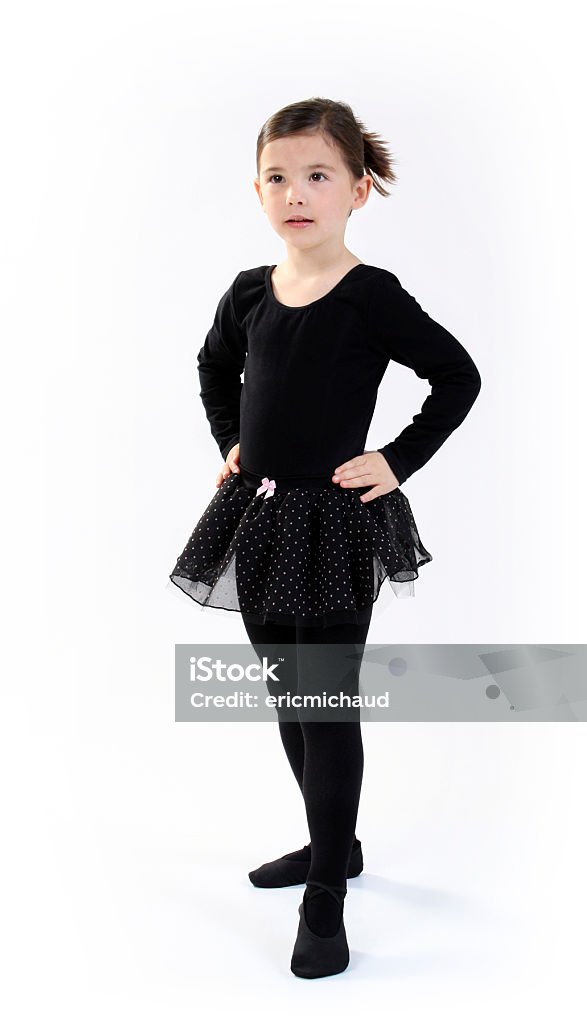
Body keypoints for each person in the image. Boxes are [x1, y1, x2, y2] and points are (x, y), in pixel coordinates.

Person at [168, 97, 482, 978]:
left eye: (317, 176)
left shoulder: (369, 295)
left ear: (357, 191)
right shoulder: (246, 292)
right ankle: (330, 843)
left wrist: (396, 459)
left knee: (325, 704)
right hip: (258, 516)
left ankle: (326, 897)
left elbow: (457, 376)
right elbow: (211, 365)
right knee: (286, 696)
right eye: (278, 177)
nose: (295, 193)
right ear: (256, 189)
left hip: (334, 523)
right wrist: (230, 437)